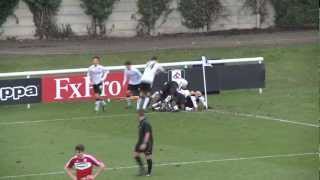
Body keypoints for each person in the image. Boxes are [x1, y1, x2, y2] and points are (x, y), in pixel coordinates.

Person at [133, 111, 154, 176]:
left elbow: (147, 134)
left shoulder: (146, 123)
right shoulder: (141, 123)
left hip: (147, 142)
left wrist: (144, 143)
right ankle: (142, 169)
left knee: (147, 156)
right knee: (135, 155)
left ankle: (149, 173)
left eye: (138, 116)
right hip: (140, 142)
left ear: (140, 115)